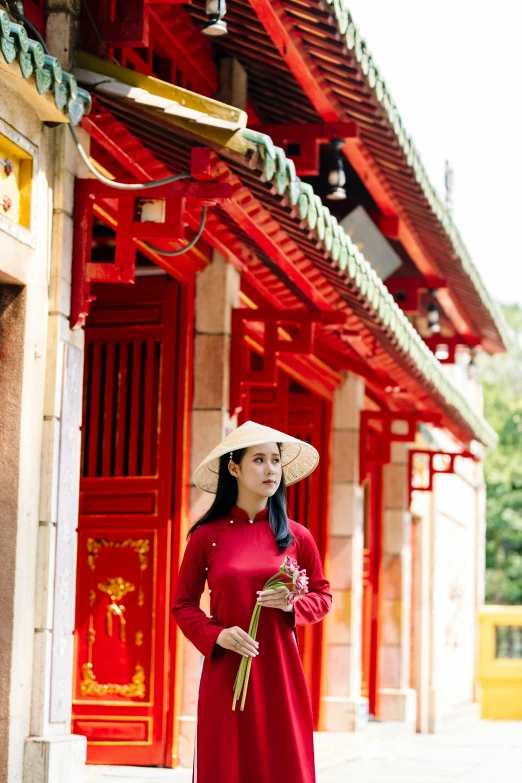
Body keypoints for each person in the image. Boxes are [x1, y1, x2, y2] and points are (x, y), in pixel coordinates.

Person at [172, 420, 332, 783]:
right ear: (234, 468)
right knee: (227, 762)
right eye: (258, 460)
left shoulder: (296, 536)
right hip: (227, 670)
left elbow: (322, 596)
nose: (270, 469)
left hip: (280, 670)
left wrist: (292, 605)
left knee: (282, 763)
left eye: (275, 460)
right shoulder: (205, 537)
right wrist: (217, 635)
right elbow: (183, 604)